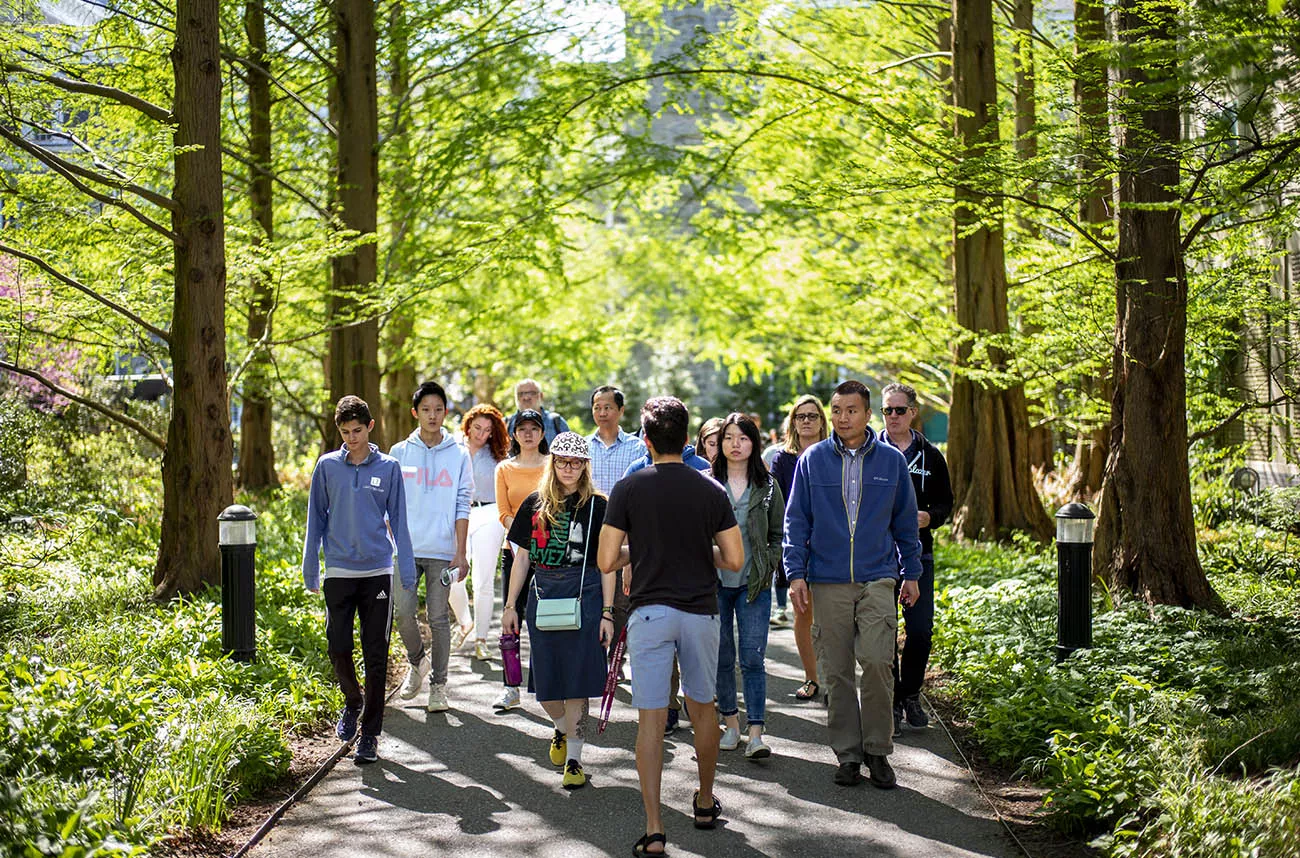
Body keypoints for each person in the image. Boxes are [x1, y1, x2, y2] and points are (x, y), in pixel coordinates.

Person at [598, 396, 744, 857]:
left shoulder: (628, 487)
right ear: (687, 439)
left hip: (648, 613)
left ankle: (656, 827)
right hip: (700, 611)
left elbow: (605, 559)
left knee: (651, 719)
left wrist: (637, 552)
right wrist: (703, 552)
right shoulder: (711, 490)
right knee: (703, 709)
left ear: (645, 440)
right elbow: (735, 560)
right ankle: (703, 801)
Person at [783, 380, 921, 790]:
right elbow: (796, 521)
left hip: (878, 575)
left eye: (851, 410)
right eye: (837, 410)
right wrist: (796, 573)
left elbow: (904, 521)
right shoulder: (813, 461)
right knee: (837, 671)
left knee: (878, 662)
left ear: (867, 415)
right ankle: (848, 754)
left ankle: (877, 750)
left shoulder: (893, 463)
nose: (843, 418)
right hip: (827, 580)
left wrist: (910, 572)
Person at [502, 432, 622, 789]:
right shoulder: (534, 504)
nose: (569, 468)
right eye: (562, 461)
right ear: (552, 463)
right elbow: (521, 558)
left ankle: (574, 760)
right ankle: (559, 728)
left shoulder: (600, 507)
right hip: (543, 595)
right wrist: (511, 607)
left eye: (576, 461)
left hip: (585, 596)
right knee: (548, 686)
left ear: (585, 465)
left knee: (578, 681)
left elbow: (607, 565)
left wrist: (608, 612)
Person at [302, 395, 416, 765]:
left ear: (371, 427)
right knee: (337, 645)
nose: (352, 438)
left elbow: (398, 519)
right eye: (345, 432)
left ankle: (370, 734)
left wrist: (408, 567)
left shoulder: (389, 467)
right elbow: (315, 518)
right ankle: (353, 700)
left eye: (357, 430)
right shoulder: (327, 467)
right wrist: (310, 565)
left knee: (376, 653)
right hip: (338, 569)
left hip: (377, 571)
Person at [390, 381, 472, 713]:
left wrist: (460, 551)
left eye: (438, 409)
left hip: (442, 551)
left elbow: (463, 504)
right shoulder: (398, 453)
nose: (433, 415)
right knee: (403, 613)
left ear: (446, 412)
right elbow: (390, 504)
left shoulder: (459, 454)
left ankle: (439, 686)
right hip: (406, 551)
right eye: (426, 409)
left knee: (438, 618)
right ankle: (416, 662)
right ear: (415, 413)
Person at [879, 382, 953, 734]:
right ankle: (891, 699)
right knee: (884, 630)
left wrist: (929, 517)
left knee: (920, 630)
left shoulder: (931, 455)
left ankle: (911, 693)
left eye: (899, 410)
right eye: (886, 410)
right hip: (877, 556)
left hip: (919, 554)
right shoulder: (870, 450)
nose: (892, 416)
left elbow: (946, 505)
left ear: (912, 412)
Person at [710, 413, 784, 760]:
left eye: (742, 437)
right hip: (713, 584)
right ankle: (731, 725)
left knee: (752, 657)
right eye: (728, 437)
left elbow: (776, 534)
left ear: (754, 443)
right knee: (722, 656)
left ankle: (756, 733)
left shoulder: (767, 486)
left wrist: (768, 563)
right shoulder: (707, 483)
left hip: (753, 583)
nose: (734, 444)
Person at [492, 408, 549, 711]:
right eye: (522, 428)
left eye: (534, 428)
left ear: (542, 433)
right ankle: (510, 686)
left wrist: (540, 536)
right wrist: (523, 535)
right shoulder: (504, 468)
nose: (528, 433)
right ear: (514, 433)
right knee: (511, 617)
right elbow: (503, 511)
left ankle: (544, 684)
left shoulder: (553, 465)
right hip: (513, 551)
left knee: (543, 619)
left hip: (549, 552)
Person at [769, 395, 828, 682]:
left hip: (831, 546)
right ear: (792, 422)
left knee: (832, 616)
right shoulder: (782, 459)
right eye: (800, 416)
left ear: (821, 421)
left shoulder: (834, 453)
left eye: (812, 416)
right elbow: (778, 506)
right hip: (796, 547)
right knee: (803, 613)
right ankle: (812, 678)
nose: (806, 421)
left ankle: (832, 678)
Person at [461, 404, 511, 662]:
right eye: (477, 427)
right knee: (453, 576)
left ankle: (481, 639)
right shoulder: (452, 448)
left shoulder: (498, 456)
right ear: (468, 424)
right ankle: (464, 621)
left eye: (488, 430)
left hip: (489, 514)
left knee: (483, 580)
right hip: (459, 515)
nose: (481, 434)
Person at [587, 385, 645, 495]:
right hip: (591, 511)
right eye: (597, 408)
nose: (602, 413)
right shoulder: (584, 446)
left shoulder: (638, 447)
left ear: (621, 410)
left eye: (607, 408)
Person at [506, 379, 569, 445]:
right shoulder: (506, 423)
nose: (526, 397)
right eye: (521, 394)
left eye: (532, 393)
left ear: (541, 396)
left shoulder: (556, 422)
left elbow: (569, 452)